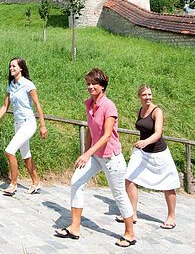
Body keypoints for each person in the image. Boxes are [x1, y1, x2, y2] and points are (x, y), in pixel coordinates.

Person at [54, 68, 136, 248]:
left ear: (103, 86)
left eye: (94, 84)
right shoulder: (89, 105)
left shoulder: (109, 106)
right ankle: (75, 227)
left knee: (118, 194)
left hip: (111, 157)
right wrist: (85, 151)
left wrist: (87, 153)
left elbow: (107, 135)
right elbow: (91, 132)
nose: (90, 87)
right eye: (88, 84)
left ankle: (130, 233)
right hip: (96, 156)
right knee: (76, 182)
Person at [116, 85, 180, 229]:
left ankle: (171, 216)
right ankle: (132, 213)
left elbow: (158, 133)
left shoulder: (157, 111)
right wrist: (143, 144)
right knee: (129, 178)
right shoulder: (140, 110)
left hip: (159, 153)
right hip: (142, 152)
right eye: (144, 95)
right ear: (139, 96)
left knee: (168, 185)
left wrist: (145, 142)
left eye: (149, 94)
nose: (148, 97)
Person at [0, 57, 48, 196]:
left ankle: (13, 184)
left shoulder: (28, 84)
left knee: (9, 151)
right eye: (10, 66)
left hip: (28, 122)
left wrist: (42, 126)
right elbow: (4, 106)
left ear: (21, 68)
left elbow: (38, 105)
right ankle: (36, 182)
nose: (11, 68)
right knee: (25, 155)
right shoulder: (11, 85)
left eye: (14, 66)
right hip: (18, 124)